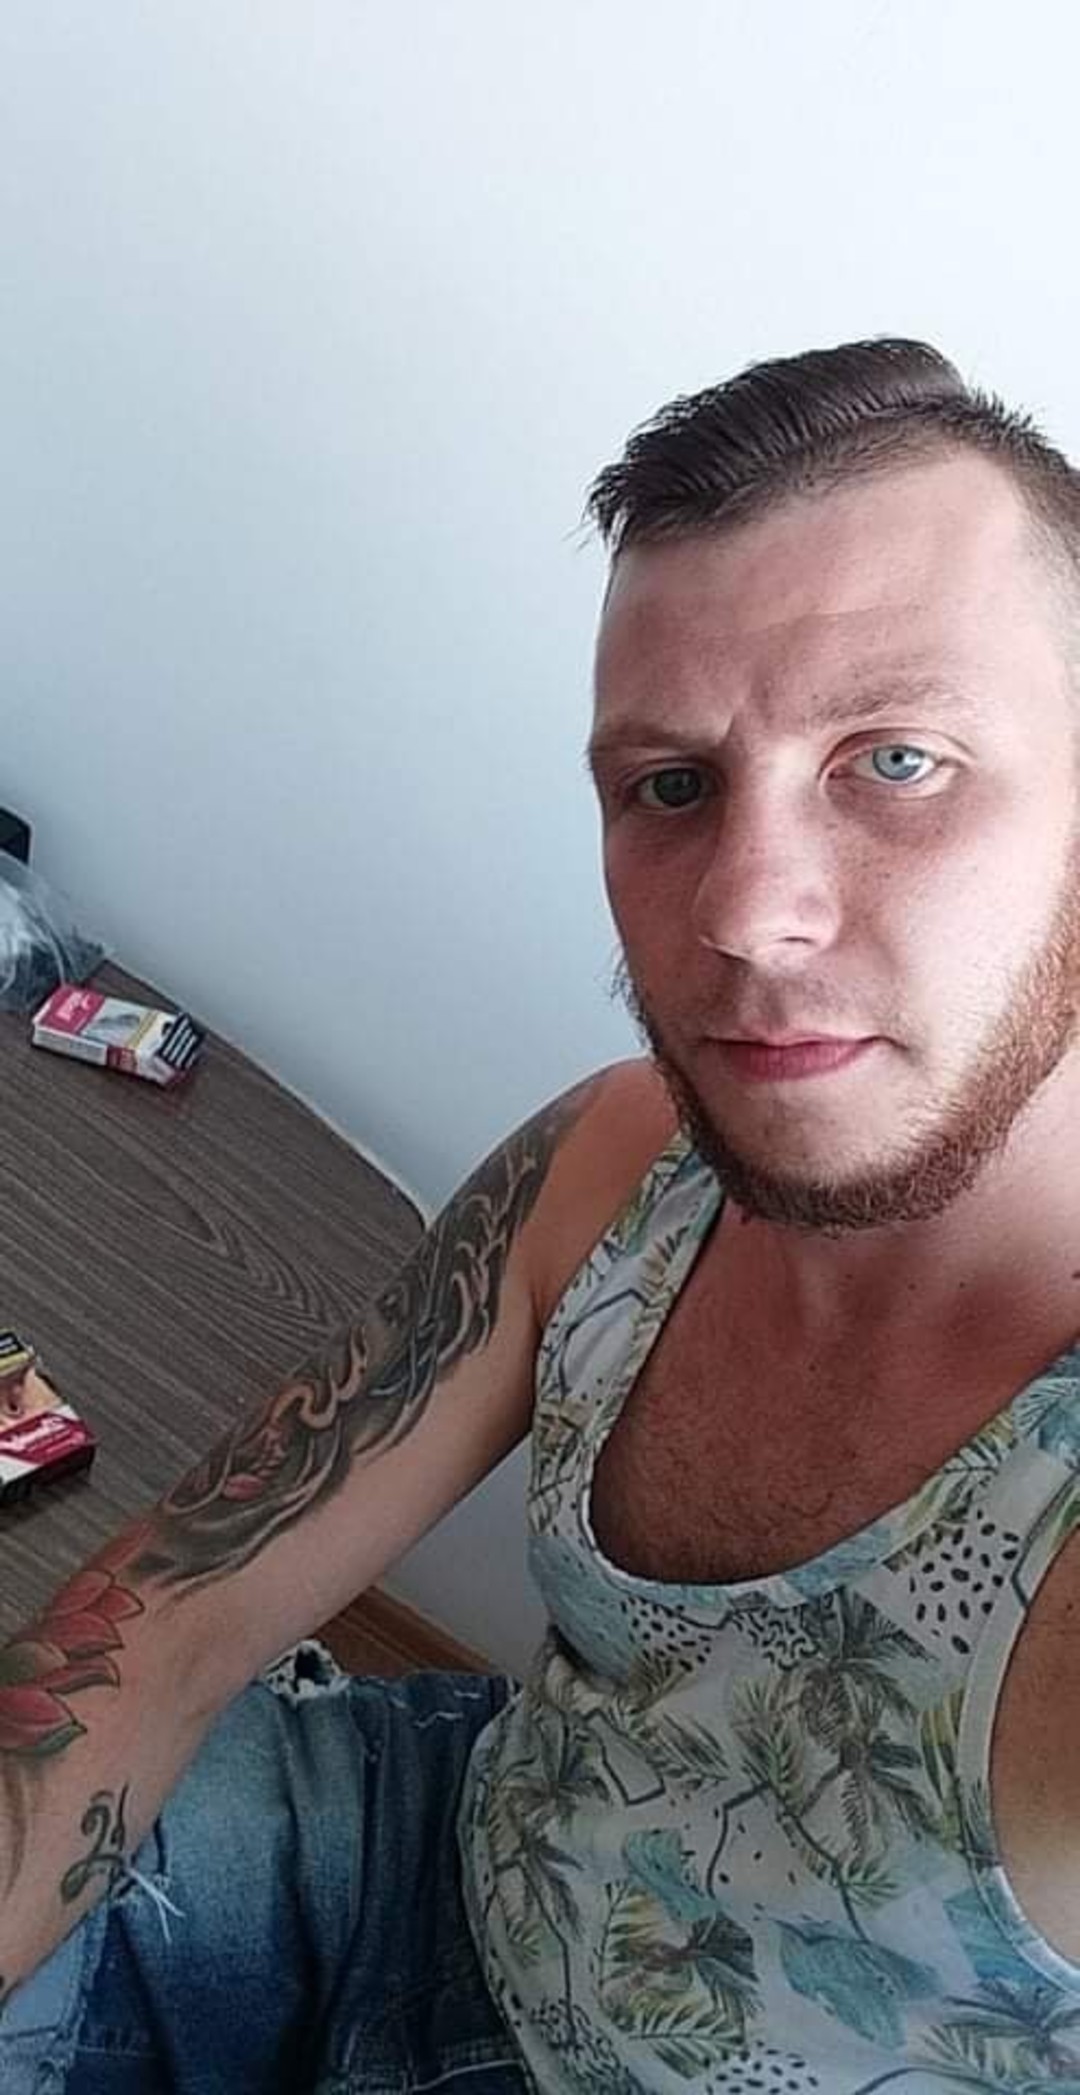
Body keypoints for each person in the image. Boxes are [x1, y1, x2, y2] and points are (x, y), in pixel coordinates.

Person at [4, 336, 1080, 2095]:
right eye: (671, 785)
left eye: (896, 760)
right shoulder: (624, 1154)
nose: (744, 913)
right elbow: (177, 1615)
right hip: (435, 1860)